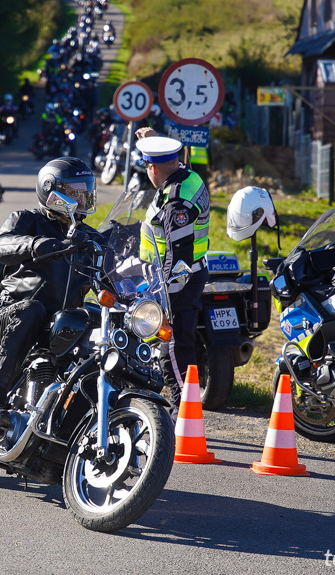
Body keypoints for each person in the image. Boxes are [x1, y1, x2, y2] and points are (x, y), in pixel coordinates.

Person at [0, 157, 99, 427]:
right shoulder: (26, 220)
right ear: (50, 190)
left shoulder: (89, 238)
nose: (83, 197)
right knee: (33, 309)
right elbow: (0, 245)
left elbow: (117, 268)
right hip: (13, 313)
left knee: (98, 319)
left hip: (59, 325)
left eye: (86, 191)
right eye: (75, 192)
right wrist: (36, 245)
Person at [134, 129, 210, 418]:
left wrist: (164, 302)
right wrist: (155, 138)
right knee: (175, 342)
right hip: (184, 273)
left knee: (174, 346)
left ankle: (186, 411)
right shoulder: (188, 177)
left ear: (152, 168)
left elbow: (179, 260)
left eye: (147, 167)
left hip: (179, 280)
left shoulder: (176, 203)